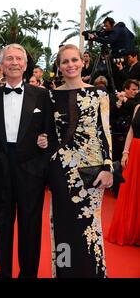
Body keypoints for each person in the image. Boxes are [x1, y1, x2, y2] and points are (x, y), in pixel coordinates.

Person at [0, 43, 54, 278]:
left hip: (31, 171)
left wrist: (44, 143)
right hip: (1, 169)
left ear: (25, 64)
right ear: (1, 65)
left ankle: (28, 274)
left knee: (30, 227)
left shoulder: (42, 95)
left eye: (18, 59)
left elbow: (50, 132)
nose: (13, 62)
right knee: (2, 226)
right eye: (8, 59)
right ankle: (4, 271)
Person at [43, 44, 113, 277]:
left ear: (83, 62)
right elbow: (49, 133)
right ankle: (63, 273)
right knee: (62, 226)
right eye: (65, 61)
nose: (70, 65)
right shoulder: (50, 96)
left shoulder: (99, 94)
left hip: (92, 172)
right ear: (59, 66)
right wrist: (44, 141)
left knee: (89, 228)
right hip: (61, 170)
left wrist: (108, 167)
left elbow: (105, 132)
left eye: (74, 60)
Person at [107, 104, 140, 246]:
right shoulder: (138, 107)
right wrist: (125, 152)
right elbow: (131, 131)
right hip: (135, 153)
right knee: (131, 191)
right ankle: (130, 231)